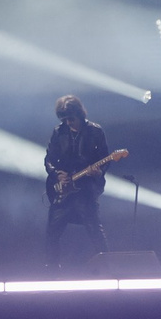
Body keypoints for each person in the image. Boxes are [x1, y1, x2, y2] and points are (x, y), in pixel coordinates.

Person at [44, 95, 113, 270]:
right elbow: (49, 159)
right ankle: (52, 270)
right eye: (64, 119)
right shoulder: (58, 132)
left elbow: (106, 158)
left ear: (79, 114)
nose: (68, 123)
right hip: (63, 190)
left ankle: (109, 268)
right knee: (52, 233)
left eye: (71, 119)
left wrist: (98, 172)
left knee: (95, 231)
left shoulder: (95, 132)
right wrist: (56, 174)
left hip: (85, 190)